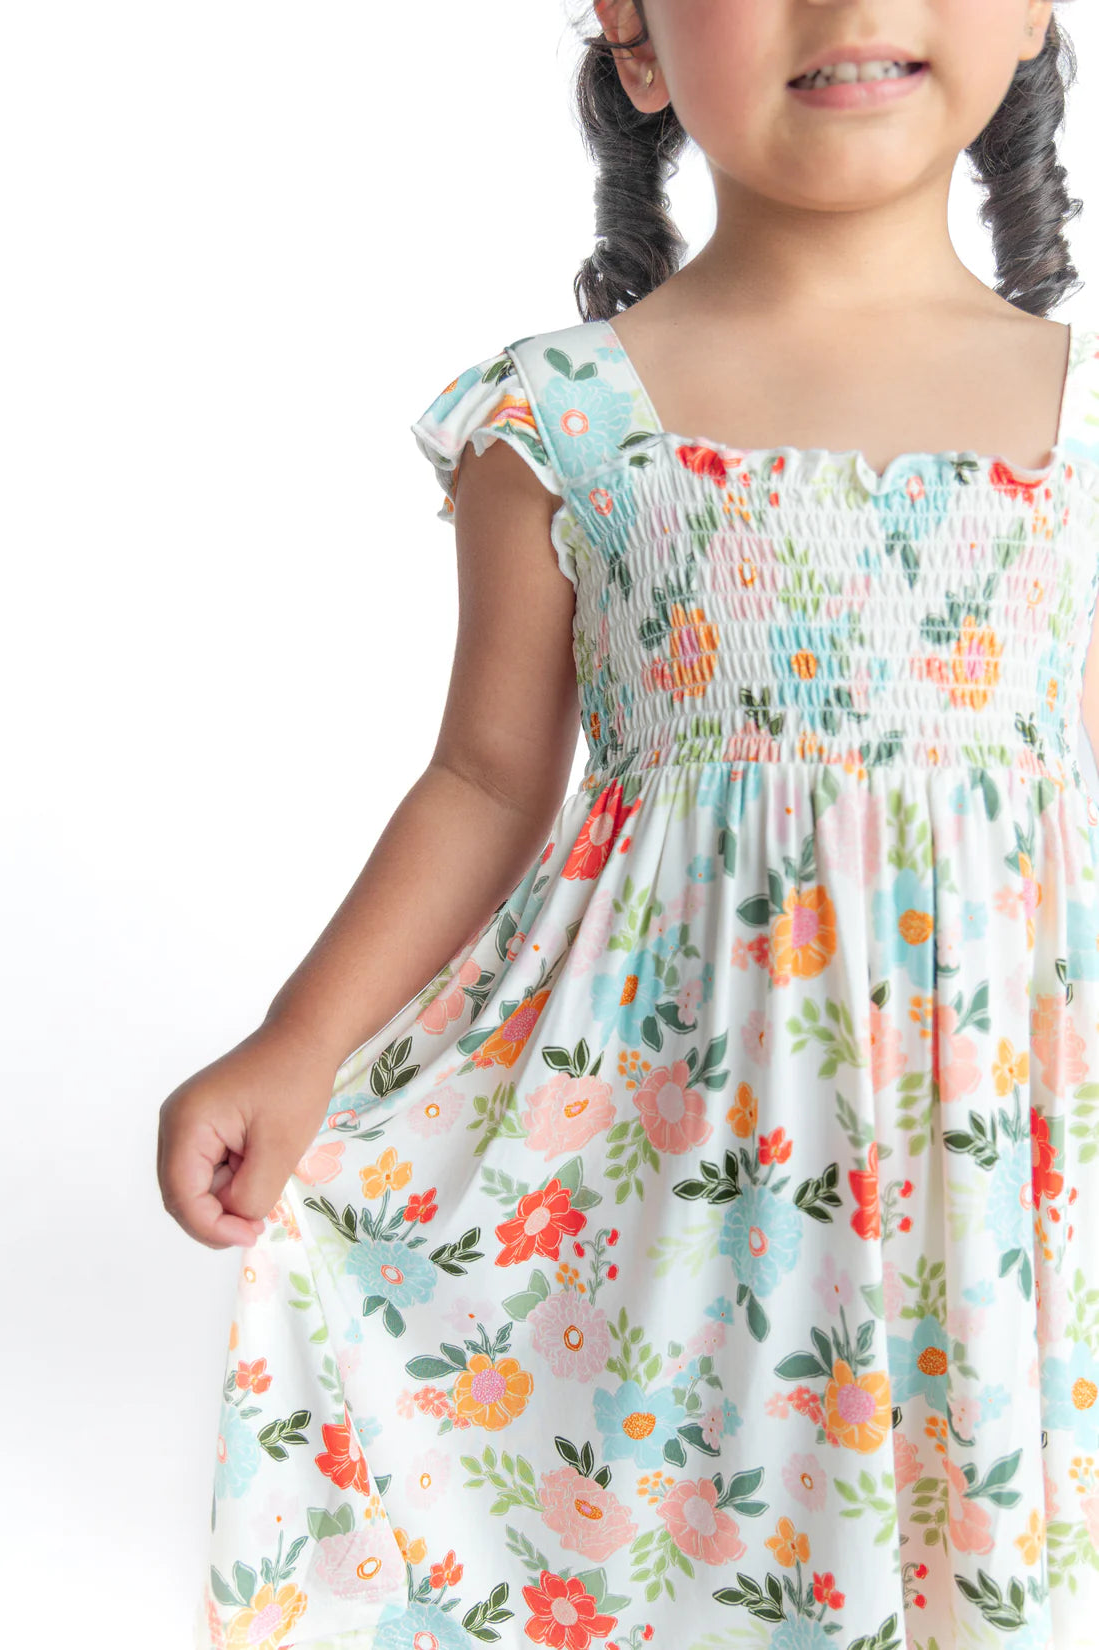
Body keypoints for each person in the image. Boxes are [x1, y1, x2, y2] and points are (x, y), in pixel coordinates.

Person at [159, 3, 1099, 1646]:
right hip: (685, 1172)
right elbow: (485, 780)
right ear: (637, 32)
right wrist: (297, 1044)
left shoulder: (1084, 418)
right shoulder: (568, 424)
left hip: (1001, 1160)